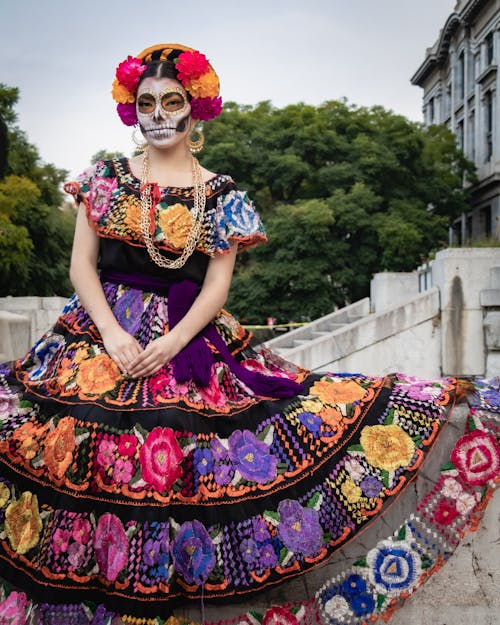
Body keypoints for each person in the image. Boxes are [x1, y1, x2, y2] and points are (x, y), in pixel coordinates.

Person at [0, 43, 498, 625]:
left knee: (235, 430)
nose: (159, 114)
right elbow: (82, 266)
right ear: (130, 109)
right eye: (146, 103)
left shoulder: (222, 195)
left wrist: (170, 342)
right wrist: (111, 334)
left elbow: (216, 287)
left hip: (188, 334)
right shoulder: (103, 180)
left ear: (197, 108)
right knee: (63, 438)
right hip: (96, 331)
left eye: (172, 101)